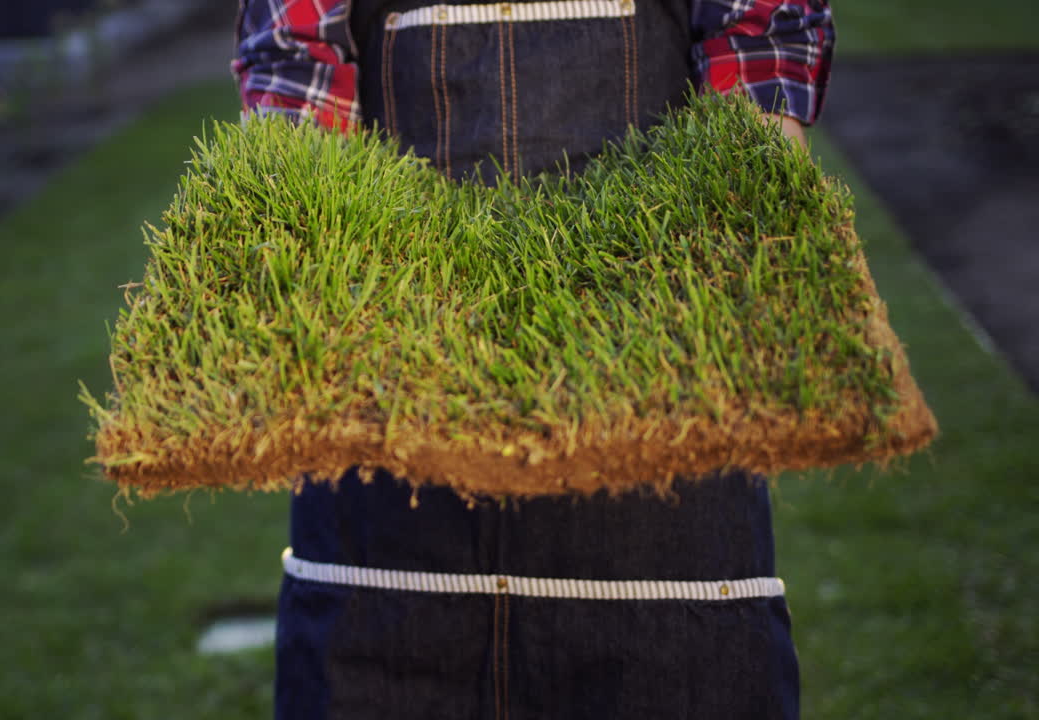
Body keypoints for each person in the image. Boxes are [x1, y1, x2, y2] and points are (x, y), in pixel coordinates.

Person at [231, 1, 835, 717]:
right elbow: (293, 58)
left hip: (656, 437)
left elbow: (761, 30)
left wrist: (744, 206)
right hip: (393, 477)